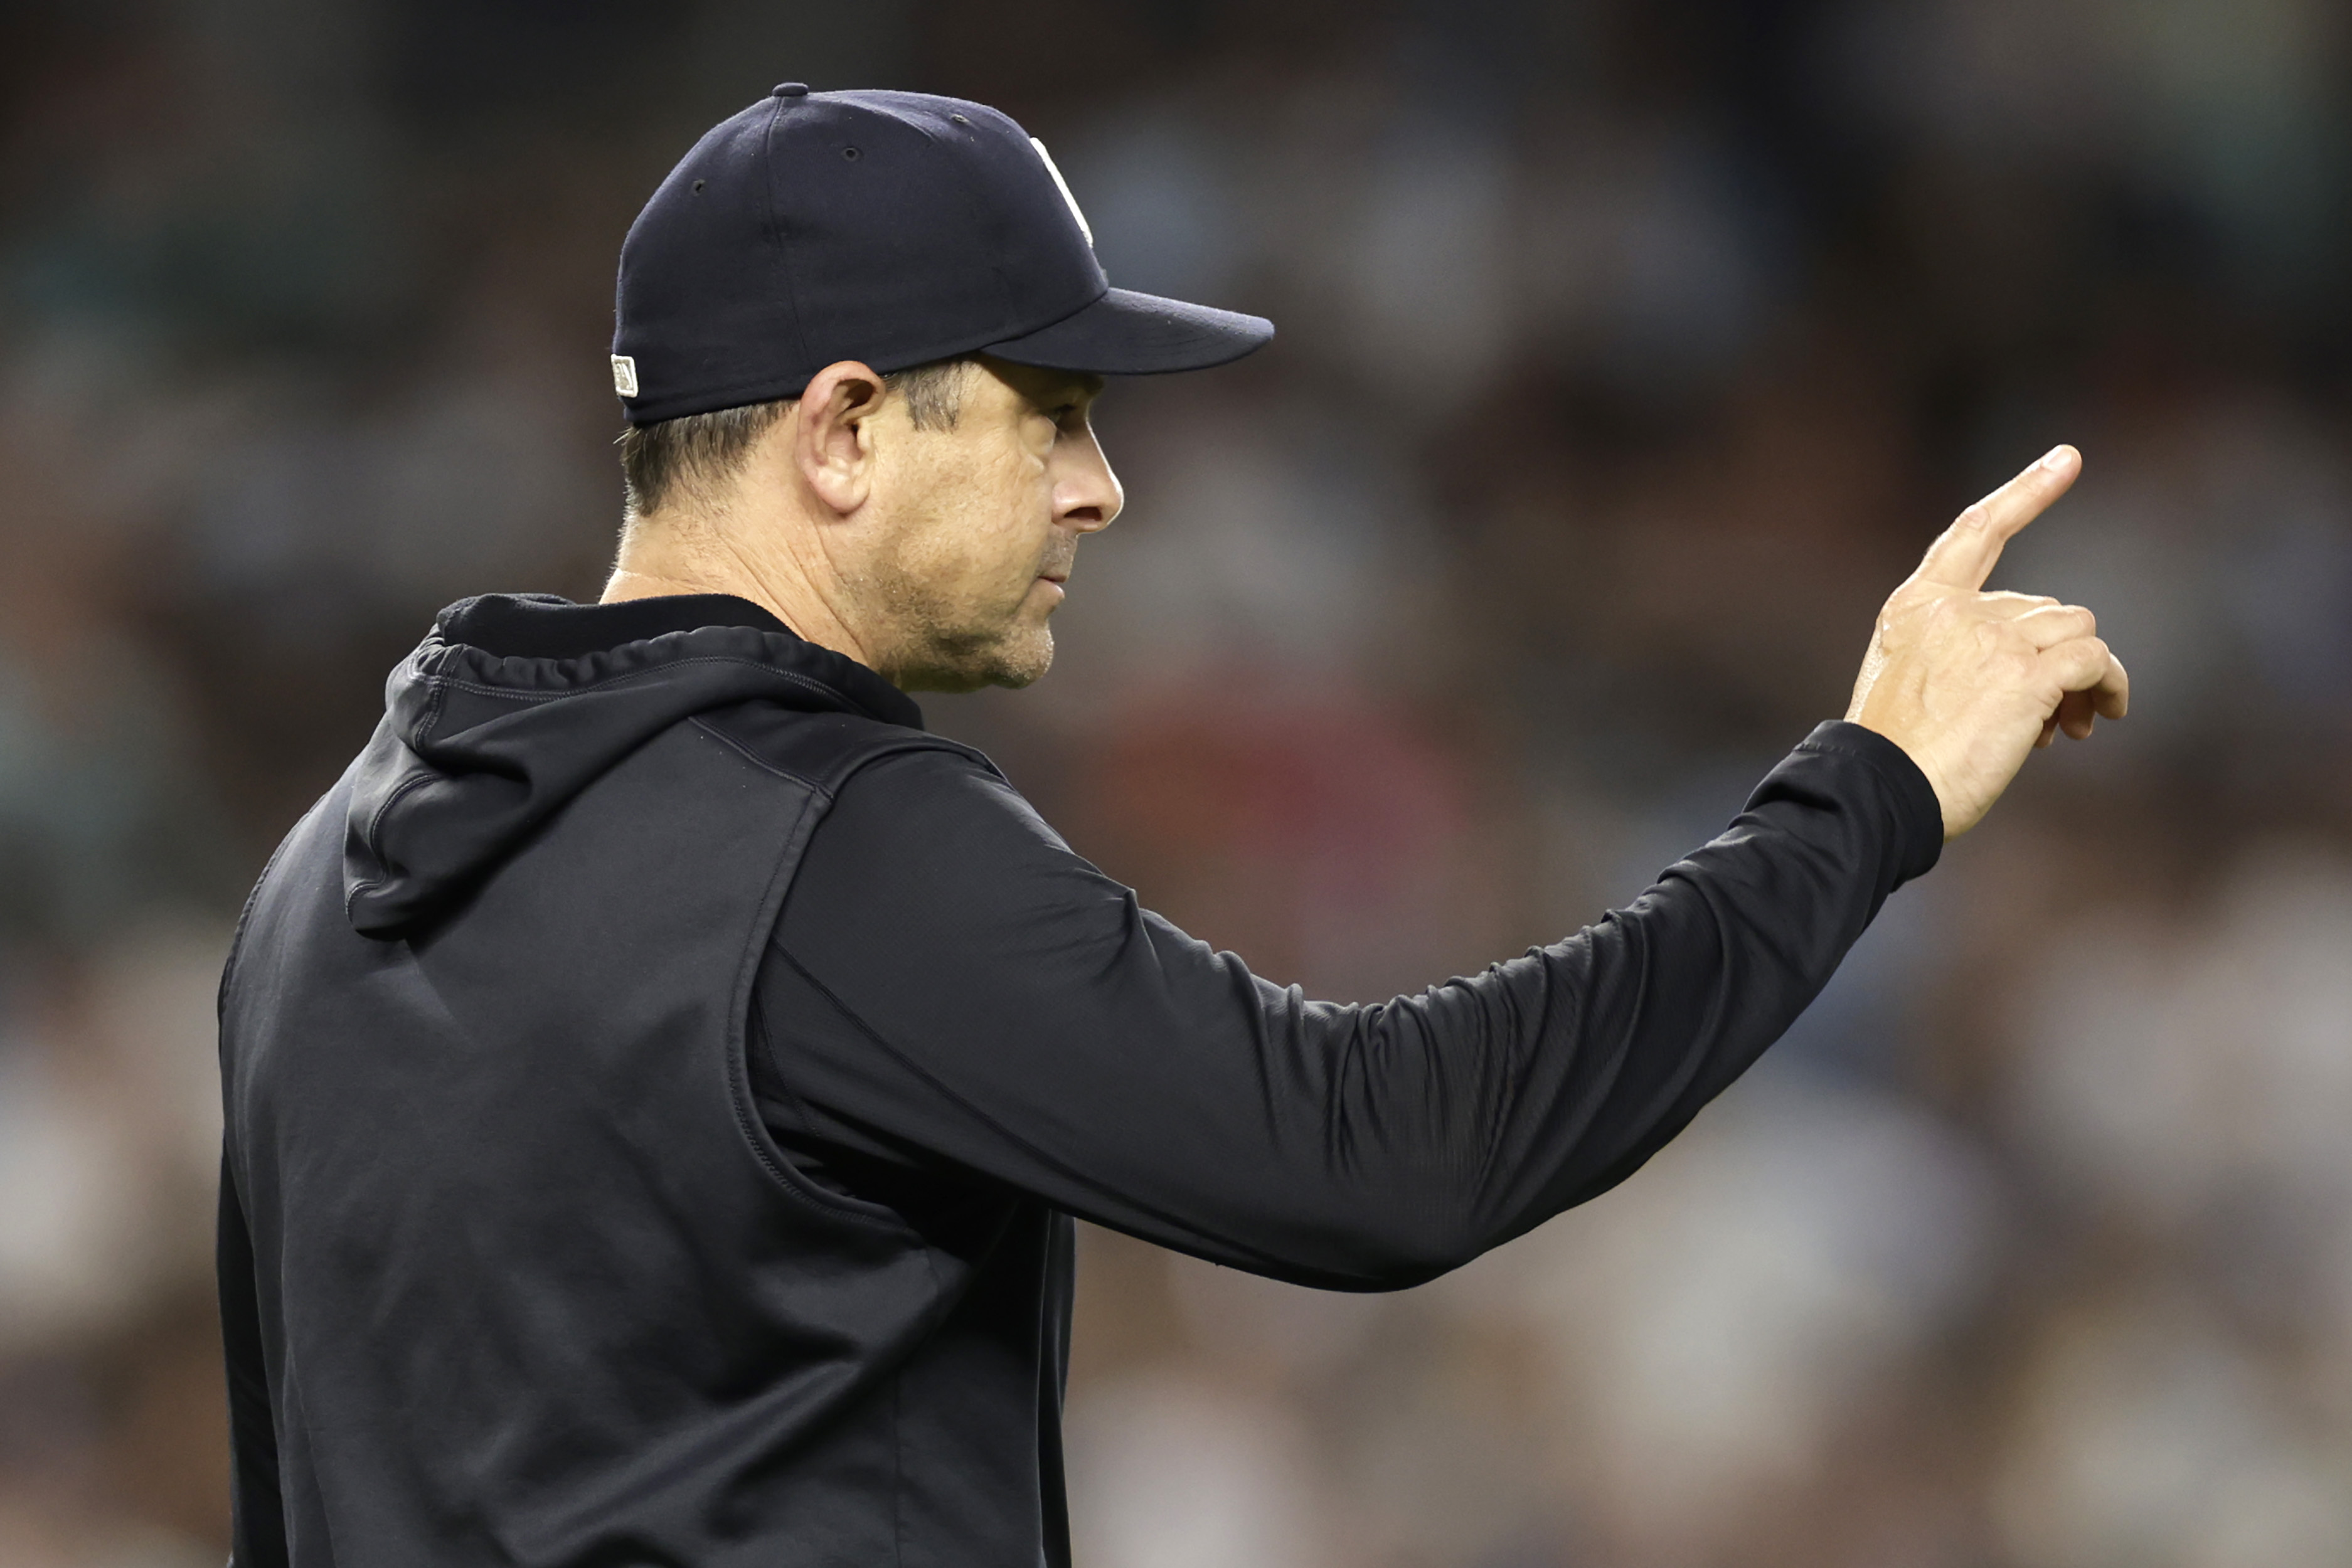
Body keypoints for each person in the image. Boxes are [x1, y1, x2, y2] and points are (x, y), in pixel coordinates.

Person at [215, 86, 2127, 1567]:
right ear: (845, 429)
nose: (1102, 487)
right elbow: (1386, 1154)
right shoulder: (824, 847)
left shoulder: (314, 886)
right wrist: (1863, 794)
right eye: (1048, 412)